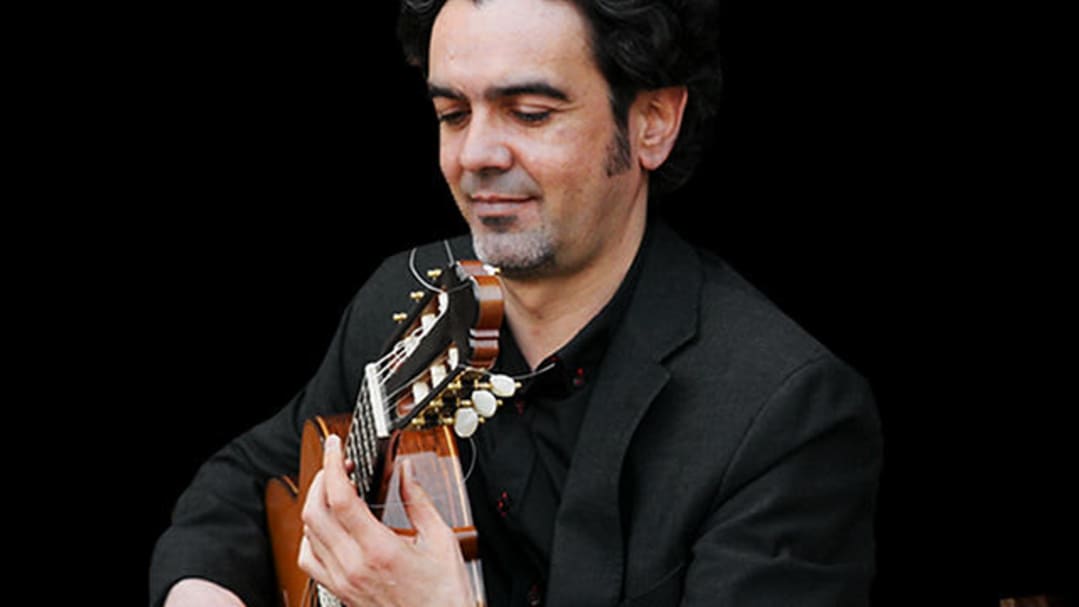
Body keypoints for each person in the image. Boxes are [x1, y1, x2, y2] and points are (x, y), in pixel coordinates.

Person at [150, 0, 883, 605]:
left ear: (653, 122)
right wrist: (201, 588)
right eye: (452, 113)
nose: (475, 155)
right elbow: (249, 480)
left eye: (529, 113)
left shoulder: (784, 415)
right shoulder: (406, 298)